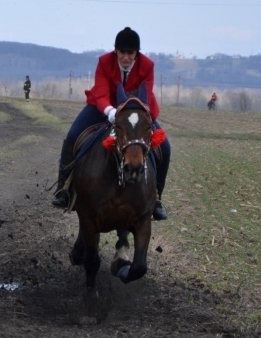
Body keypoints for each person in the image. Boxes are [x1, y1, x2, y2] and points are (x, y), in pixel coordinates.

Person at [51, 27, 171, 220]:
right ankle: (63, 188)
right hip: (104, 107)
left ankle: (156, 198)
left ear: (136, 54)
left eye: (130, 53)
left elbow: (145, 94)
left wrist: (132, 112)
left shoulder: (147, 66)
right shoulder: (104, 62)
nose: (125, 57)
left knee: (165, 148)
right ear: (115, 51)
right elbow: (101, 91)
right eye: (121, 52)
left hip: (138, 110)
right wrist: (110, 111)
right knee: (73, 135)